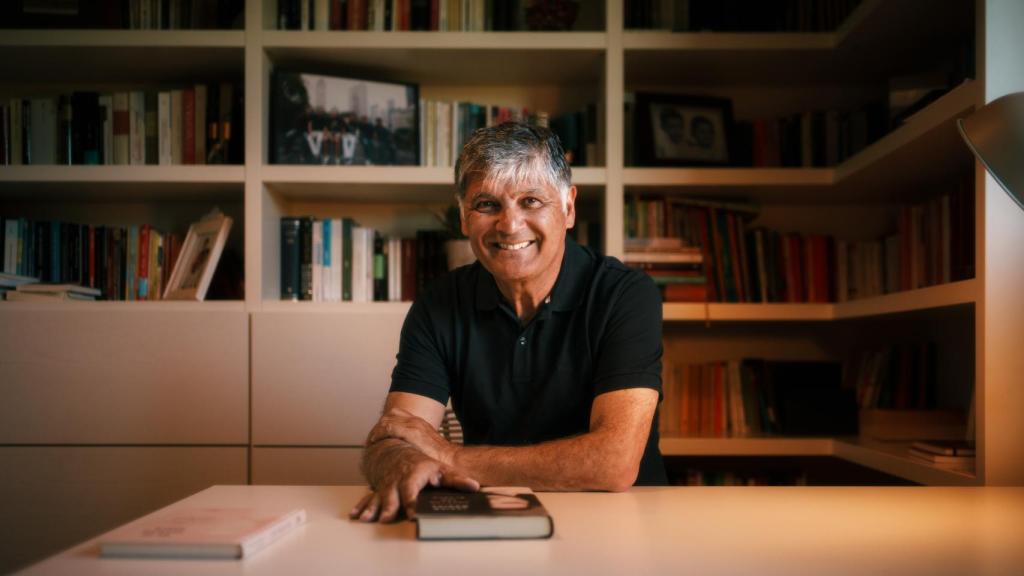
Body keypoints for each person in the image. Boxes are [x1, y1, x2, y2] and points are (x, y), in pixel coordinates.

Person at [350, 122, 666, 524]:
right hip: (492, 515)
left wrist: (448, 456)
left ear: (568, 207)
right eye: (486, 204)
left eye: (531, 201)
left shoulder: (625, 295)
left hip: (622, 523)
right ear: (464, 217)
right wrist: (397, 461)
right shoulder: (439, 302)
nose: (509, 225)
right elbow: (396, 433)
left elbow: (614, 463)